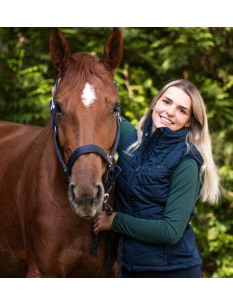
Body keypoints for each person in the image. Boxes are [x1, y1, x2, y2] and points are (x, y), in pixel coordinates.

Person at [93, 79, 220, 278]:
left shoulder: (187, 161)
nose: (170, 112)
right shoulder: (130, 140)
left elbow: (170, 231)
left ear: (189, 121)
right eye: (167, 102)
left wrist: (116, 221)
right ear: (155, 103)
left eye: (182, 110)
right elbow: (99, 109)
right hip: (130, 269)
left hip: (173, 272)